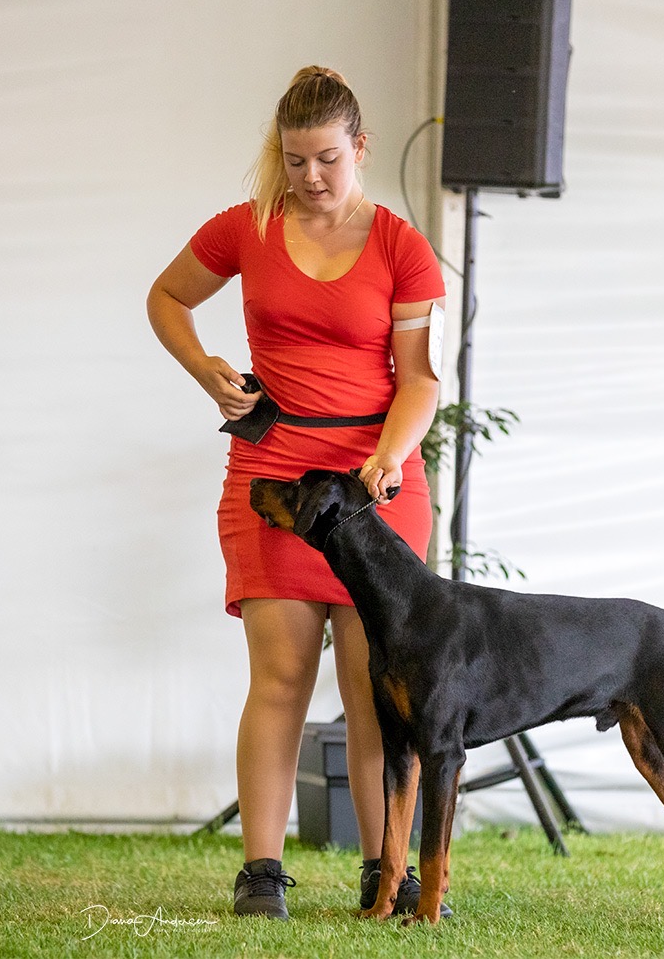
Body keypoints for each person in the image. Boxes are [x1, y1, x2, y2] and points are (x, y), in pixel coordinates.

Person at [147, 66, 447, 921]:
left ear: (361, 148)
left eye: (325, 160)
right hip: (276, 477)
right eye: (292, 160)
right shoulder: (245, 229)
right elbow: (167, 297)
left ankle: (385, 872)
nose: (309, 178)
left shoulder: (400, 244)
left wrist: (389, 456)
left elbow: (420, 379)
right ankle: (262, 873)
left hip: (373, 484)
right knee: (279, 677)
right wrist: (205, 368)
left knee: (371, 686)